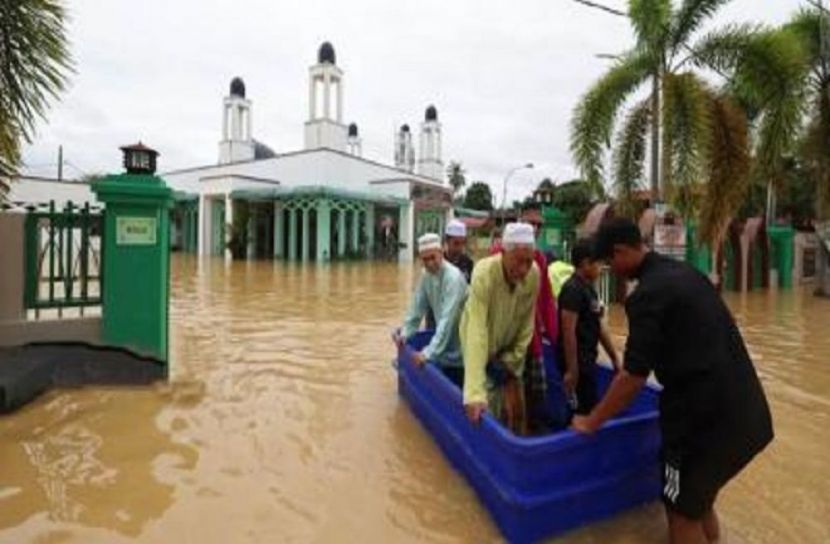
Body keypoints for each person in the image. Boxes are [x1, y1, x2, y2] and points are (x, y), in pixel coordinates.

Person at [572, 218, 773, 544]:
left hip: (702, 425)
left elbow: (632, 379)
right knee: (697, 502)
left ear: (622, 251)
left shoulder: (647, 296)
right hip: (748, 414)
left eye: (611, 262)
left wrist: (591, 422)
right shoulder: (686, 273)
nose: (612, 270)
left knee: (679, 510)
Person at [460, 222, 540, 435]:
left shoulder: (534, 274)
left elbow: (526, 324)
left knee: (515, 405)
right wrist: (474, 393)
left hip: (509, 350)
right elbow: (476, 328)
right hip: (479, 343)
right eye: (518, 261)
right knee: (485, 403)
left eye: (528, 261)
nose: (523, 269)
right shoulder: (484, 273)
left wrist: (512, 360)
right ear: (503, 253)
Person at [395, 233, 468, 387]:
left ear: (441, 253)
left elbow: (447, 320)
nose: (429, 263)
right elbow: (417, 307)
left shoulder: (453, 278)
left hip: (463, 346)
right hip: (444, 345)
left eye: (432, 257)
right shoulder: (426, 275)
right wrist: (405, 333)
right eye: (424, 259)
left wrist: (428, 353)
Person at [557, 238, 620, 418]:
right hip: (577, 364)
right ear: (585, 263)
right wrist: (572, 370)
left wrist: (614, 357)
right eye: (599, 262)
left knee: (587, 408)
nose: (602, 267)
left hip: (587, 362)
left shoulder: (589, 290)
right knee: (579, 412)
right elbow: (568, 332)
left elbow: (599, 326)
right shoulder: (572, 290)